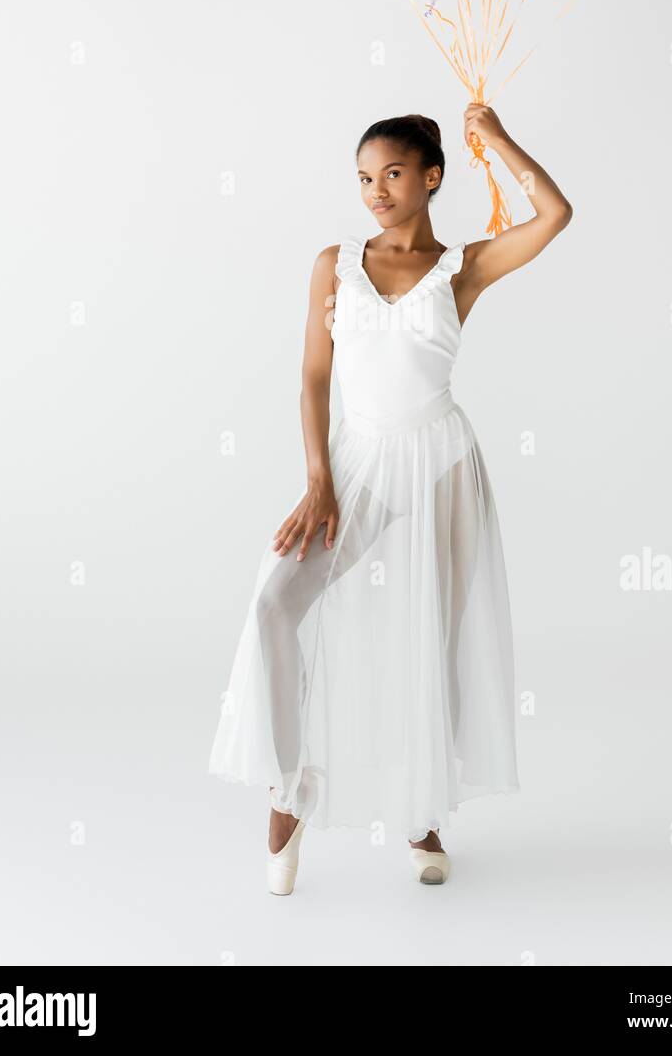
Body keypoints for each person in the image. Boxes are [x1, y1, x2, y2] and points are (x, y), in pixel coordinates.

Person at [208, 102, 573, 892]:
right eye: (365, 177)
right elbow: (312, 377)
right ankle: (288, 789)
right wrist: (318, 481)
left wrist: (496, 138)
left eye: (393, 174)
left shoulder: (462, 269)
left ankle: (422, 817)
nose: (375, 190)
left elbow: (554, 214)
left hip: (438, 466)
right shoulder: (333, 263)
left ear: (431, 178)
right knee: (275, 605)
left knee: (424, 635)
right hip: (355, 464)